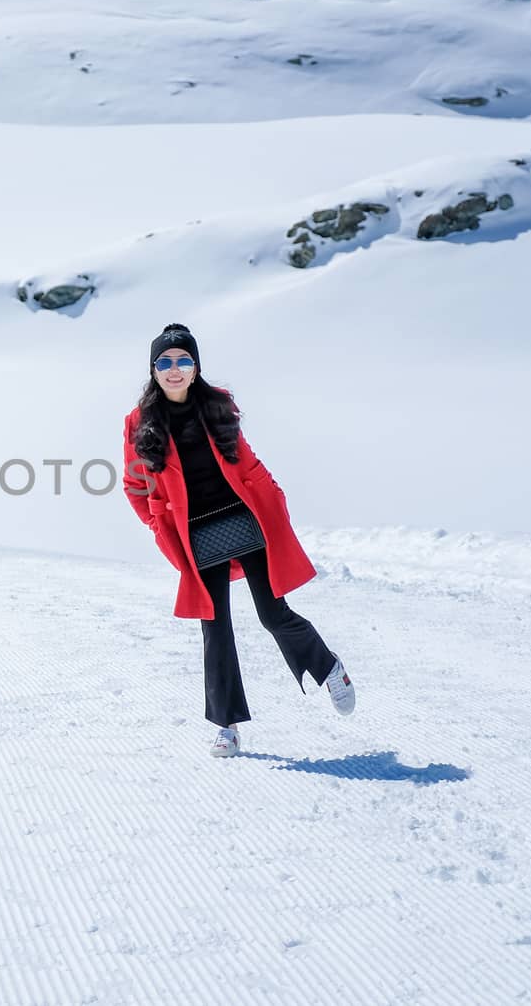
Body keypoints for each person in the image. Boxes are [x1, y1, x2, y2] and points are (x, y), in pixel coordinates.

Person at [121, 323, 355, 757]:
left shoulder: (217, 405)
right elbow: (134, 486)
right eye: (165, 362)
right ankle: (226, 726)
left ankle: (329, 668)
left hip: (245, 522)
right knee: (215, 629)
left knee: (273, 613)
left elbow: (247, 462)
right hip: (195, 537)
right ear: (154, 370)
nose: (174, 369)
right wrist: (158, 526)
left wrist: (274, 500)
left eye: (183, 361)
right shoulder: (139, 423)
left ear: (195, 368)